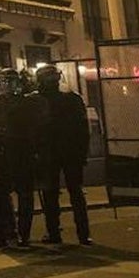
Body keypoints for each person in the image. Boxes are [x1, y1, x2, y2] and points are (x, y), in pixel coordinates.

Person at [0, 68, 48, 249]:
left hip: (20, 154)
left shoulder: (27, 103)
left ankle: (22, 235)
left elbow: (36, 129)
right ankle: (2, 234)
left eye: (9, 81)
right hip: (3, 155)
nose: (6, 85)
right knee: (0, 197)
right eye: (3, 81)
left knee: (23, 195)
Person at [36, 66, 92, 245]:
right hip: (69, 152)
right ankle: (83, 233)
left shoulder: (37, 101)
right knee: (75, 192)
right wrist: (82, 152)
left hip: (50, 153)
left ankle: (54, 232)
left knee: (51, 194)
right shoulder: (72, 99)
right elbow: (83, 129)